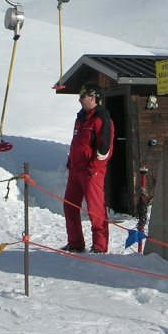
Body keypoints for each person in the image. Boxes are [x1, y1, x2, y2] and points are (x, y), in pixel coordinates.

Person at [62, 83, 114, 254]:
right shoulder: (81, 117)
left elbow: (105, 148)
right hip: (76, 170)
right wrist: (71, 162)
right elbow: (76, 143)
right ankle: (75, 243)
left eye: (83, 97)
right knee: (69, 206)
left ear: (93, 97)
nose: (80, 100)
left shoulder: (101, 117)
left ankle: (100, 246)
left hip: (91, 172)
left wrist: (94, 168)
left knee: (95, 209)